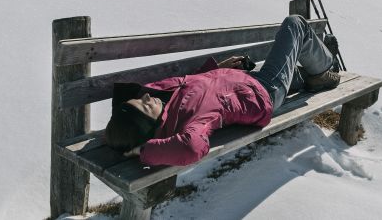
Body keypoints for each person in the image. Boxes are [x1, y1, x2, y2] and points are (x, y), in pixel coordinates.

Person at [104, 15, 341, 166]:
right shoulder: (192, 122)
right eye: (145, 105)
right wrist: (144, 150)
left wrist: (218, 69)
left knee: (297, 72)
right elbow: (190, 149)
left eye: (139, 99)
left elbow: (195, 85)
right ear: (152, 126)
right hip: (264, 90)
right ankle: (324, 67)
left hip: (245, 82)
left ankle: (313, 73)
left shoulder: (165, 102)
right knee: (295, 25)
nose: (146, 96)